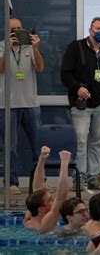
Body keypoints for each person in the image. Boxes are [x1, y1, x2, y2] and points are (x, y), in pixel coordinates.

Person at [60, 17, 100, 190]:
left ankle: (93, 176)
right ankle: (80, 177)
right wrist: (77, 88)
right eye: (97, 28)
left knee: (97, 141)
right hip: (82, 105)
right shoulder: (76, 47)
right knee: (81, 141)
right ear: (90, 30)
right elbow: (65, 73)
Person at [0, 17, 43, 194]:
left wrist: (36, 49)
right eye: (13, 29)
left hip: (30, 103)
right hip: (7, 104)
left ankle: (40, 182)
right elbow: (0, 69)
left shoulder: (29, 48)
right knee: (10, 147)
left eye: (19, 28)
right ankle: (11, 182)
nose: (17, 32)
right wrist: (8, 50)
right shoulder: (2, 46)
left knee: (38, 145)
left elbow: (40, 68)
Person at [24, 147, 70, 233]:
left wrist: (41, 159)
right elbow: (61, 197)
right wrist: (64, 163)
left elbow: (37, 189)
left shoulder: (29, 218)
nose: (53, 200)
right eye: (50, 200)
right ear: (41, 209)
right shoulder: (45, 224)